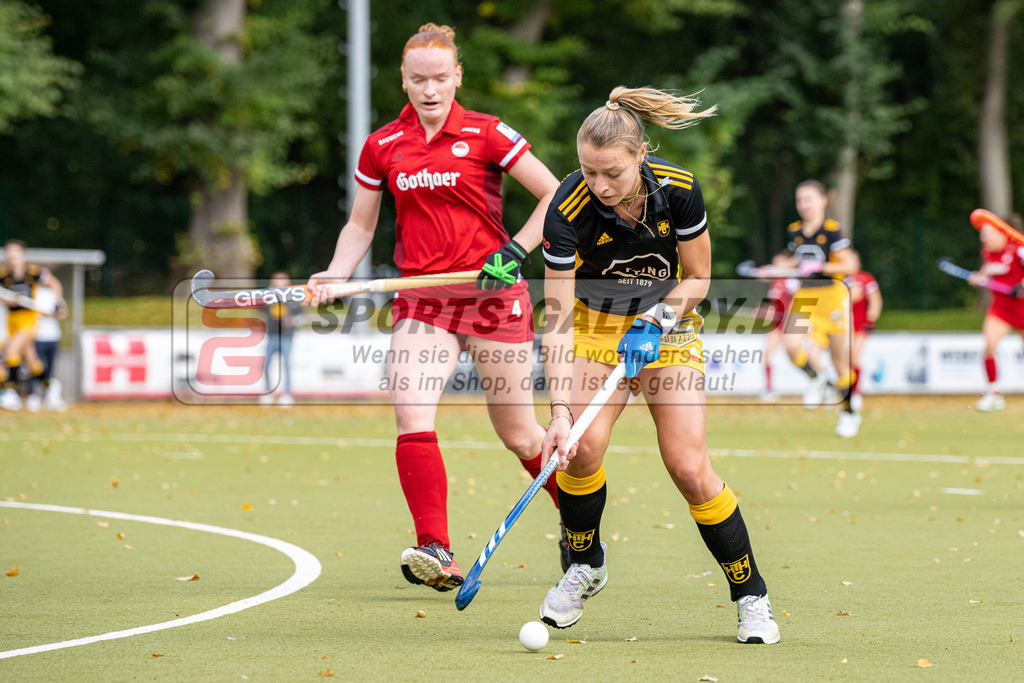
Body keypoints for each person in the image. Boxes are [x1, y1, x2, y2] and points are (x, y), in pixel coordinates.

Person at [308, 23, 563, 592]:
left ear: (457, 77)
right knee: (411, 414)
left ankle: (582, 525)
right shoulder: (382, 145)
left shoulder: (488, 133)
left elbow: (558, 194)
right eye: (418, 79)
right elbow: (360, 224)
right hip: (422, 302)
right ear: (403, 79)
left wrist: (517, 250)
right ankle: (435, 548)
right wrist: (337, 273)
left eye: (440, 78)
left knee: (522, 436)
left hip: (495, 299)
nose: (429, 90)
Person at [539, 86, 780, 644]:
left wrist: (657, 321)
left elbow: (697, 278)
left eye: (612, 174)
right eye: (587, 171)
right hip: (595, 327)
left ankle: (751, 595)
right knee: (580, 448)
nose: (599, 186)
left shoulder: (680, 190)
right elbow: (555, 318)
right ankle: (585, 563)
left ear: (640, 155)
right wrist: (556, 411)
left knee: (688, 466)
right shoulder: (567, 209)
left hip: (667, 326)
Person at [771, 181, 859, 437]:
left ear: (823, 200)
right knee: (790, 344)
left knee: (841, 362)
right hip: (805, 298)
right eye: (800, 200)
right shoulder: (795, 231)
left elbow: (850, 265)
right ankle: (818, 378)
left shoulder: (832, 231)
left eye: (809, 199)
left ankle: (849, 413)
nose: (804, 205)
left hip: (831, 299)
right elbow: (788, 259)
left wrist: (821, 268)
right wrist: (775, 267)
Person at [968, 213, 1024, 412]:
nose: (984, 239)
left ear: (1001, 233)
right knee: (989, 346)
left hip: (1022, 310)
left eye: (987, 235)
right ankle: (994, 394)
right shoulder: (988, 251)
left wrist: (1021, 286)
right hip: (1000, 310)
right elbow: (988, 269)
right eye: (982, 235)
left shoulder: (1018, 250)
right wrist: (978, 277)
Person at [0, 240, 60, 411]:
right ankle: (51, 387)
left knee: (11, 351)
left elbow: (55, 284)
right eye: (9, 254)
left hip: (29, 320)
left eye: (15, 254)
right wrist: (6, 300)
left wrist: (57, 303)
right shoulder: (4, 276)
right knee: (32, 363)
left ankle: (10, 393)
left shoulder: (33, 272)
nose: (12, 258)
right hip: (12, 320)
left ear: (22, 255)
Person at [846, 251, 882, 413]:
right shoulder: (837, 279)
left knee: (853, 358)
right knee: (842, 361)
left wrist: (871, 318)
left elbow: (876, 300)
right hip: (841, 325)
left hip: (860, 325)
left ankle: (855, 393)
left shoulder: (865, 278)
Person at [259, 271, 302, 407]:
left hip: (286, 336)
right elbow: (259, 308)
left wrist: (292, 320)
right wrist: (269, 293)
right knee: (266, 364)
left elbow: (302, 316)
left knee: (287, 365)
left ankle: (287, 394)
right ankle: (268, 392)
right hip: (271, 335)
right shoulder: (269, 297)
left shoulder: (293, 297)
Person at [30, 280, 68, 411]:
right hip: (37, 336)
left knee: (50, 368)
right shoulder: (33, 292)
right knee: (36, 366)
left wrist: (52, 314)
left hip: (53, 336)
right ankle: (33, 395)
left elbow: (63, 313)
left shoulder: (54, 294)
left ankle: (49, 395)